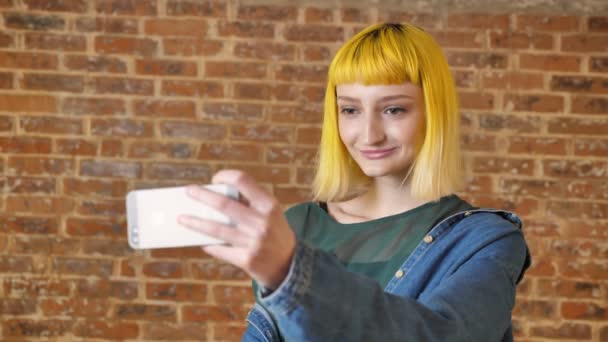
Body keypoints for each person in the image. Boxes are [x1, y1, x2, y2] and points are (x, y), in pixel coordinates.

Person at [177, 22, 531, 341]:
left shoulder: (485, 240)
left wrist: (295, 276)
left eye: (394, 109)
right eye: (350, 110)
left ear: (433, 113)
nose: (369, 134)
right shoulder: (298, 225)